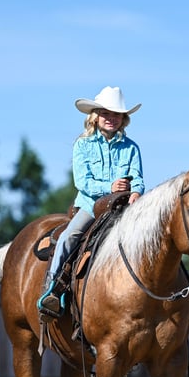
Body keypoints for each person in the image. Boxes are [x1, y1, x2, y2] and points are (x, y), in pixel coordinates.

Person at [37, 86, 144, 318]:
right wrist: (110, 188)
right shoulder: (82, 145)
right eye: (106, 113)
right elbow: (82, 182)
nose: (111, 118)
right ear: (95, 116)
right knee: (69, 237)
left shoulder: (131, 148)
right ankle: (52, 290)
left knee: (154, 237)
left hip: (125, 208)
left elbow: (138, 178)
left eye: (116, 114)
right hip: (91, 206)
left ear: (123, 119)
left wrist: (136, 192)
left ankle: (179, 295)